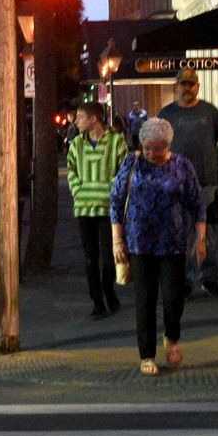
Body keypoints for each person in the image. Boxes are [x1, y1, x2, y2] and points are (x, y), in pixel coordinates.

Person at [110, 117, 208, 376]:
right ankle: (147, 355)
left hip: (173, 242)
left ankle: (172, 336)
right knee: (145, 300)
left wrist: (201, 237)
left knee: (174, 297)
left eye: (158, 147)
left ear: (168, 145)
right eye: (147, 147)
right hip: (139, 242)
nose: (152, 153)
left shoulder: (181, 166)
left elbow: (197, 203)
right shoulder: (132, 163)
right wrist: (117, 240)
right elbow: (116, 201)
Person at [157, 69, 218, 295]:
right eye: (183, 84)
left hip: (206, 184)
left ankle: (209, 278)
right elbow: (154, 146)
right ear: (177, 86)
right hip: (174, 184)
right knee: (179, 235)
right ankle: (183, 280)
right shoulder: (166, 114)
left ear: (198, 87)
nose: (187, 88)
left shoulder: (209, 112)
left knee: (207, 235)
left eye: (191, 84)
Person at [66, 101, 127, 319]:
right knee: (90, 258)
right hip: (84, 208)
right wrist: (78, 190)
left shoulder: (116, 142)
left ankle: (108, 291)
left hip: (107, 209)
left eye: (80, 117)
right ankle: (97, 301)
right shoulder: (76, 144)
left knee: (109, 257)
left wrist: (116, 195)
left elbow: (124, 171)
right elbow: (71, 169)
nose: (76, 121)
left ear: (93, 119)